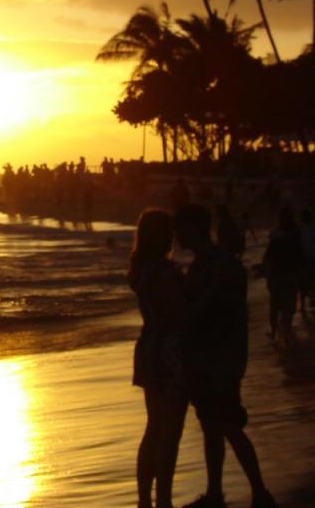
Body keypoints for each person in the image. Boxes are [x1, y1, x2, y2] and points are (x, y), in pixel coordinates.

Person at [175, 204, 275, 508]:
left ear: (195, 228)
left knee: (228, 426)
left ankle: (259, 492)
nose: (177, 236)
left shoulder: (215, 265)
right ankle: (217, 492)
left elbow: (213, 313)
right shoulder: (212, 262)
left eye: (181, 228)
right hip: (217, 356)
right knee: (213, 426)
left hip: (218, 358)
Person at [129, 208, 185, 508]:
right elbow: (176, 312)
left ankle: (144, 500)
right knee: (170, 429)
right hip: (169, 350)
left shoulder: (139, 269)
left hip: (149, 345)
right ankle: (163, 498)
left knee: (154, 427)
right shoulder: (162, 271)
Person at [263, 207, 304, 343]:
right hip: (290, 276)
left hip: (278, 277)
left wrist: (268, 278)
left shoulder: (275, 240)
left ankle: (275, 332)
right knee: (288, 306)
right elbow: (301, 260)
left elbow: (268, 261)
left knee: (275, 307)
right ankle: (285, 331)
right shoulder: (296, 238)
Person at [297, 208, 315, 317]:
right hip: (313, 257)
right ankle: (312, 297)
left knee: (303, 282)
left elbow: (296, 246)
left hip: (303, 259)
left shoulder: (299, 231)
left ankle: (302, 305)